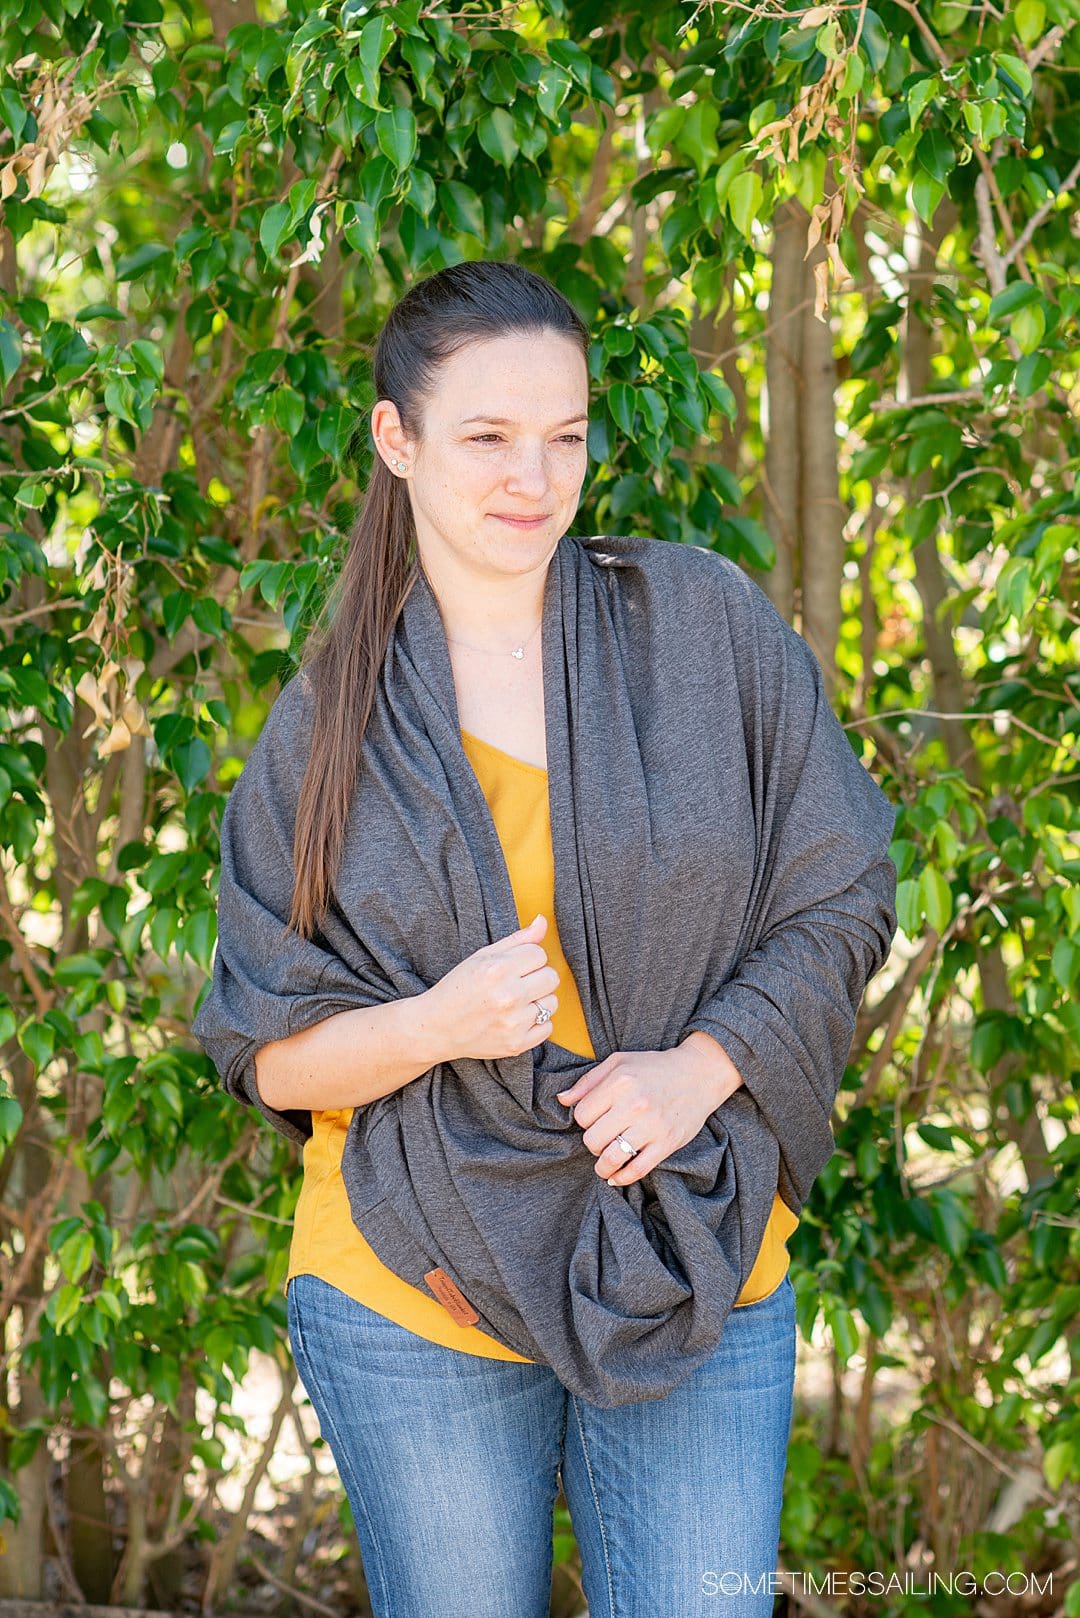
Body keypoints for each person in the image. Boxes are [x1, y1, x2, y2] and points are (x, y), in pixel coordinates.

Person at [194, 260, 896, 1617]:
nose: (535, 475)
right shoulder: (328, 730)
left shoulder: (702, 629)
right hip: (418, 1278)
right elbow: (261, 1048)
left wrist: (704, 1065)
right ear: (397, 441)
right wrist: (435, 1027)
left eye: (565, 436)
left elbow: (842, 886)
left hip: (699, 1248)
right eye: (489, 437)